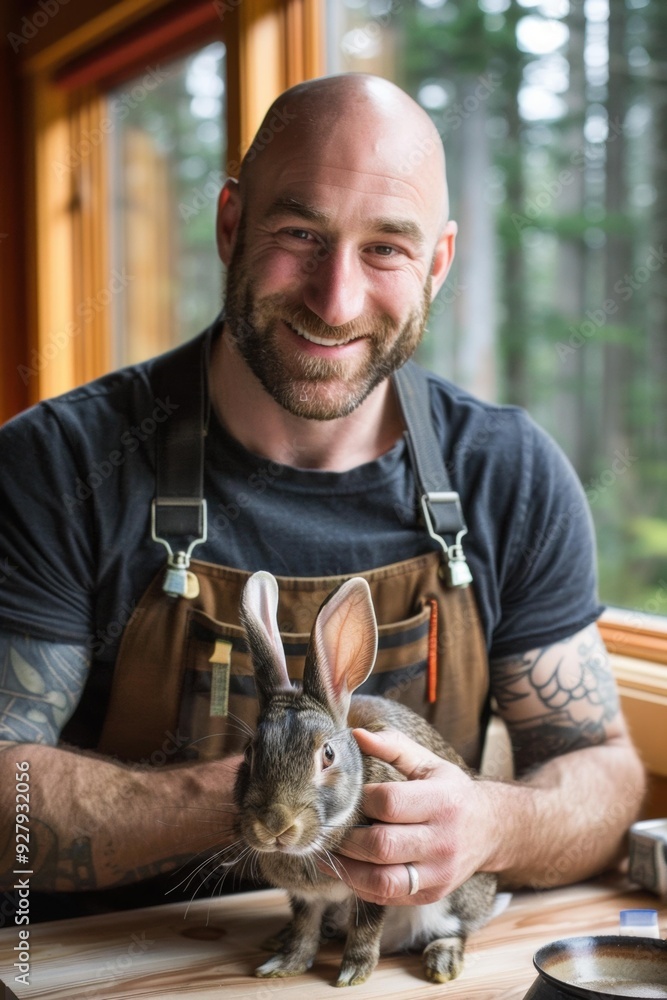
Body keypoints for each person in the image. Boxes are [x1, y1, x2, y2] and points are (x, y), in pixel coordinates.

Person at [0, 73, 644, 924]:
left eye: (386, 247)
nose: (335, 298)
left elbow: (599, 768)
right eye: (300, 232)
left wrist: (490, 823)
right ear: (231, 223)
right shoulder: (56, 465)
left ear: (437, 264)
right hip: (117, 970)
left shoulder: (509, 473)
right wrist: (274, 797)